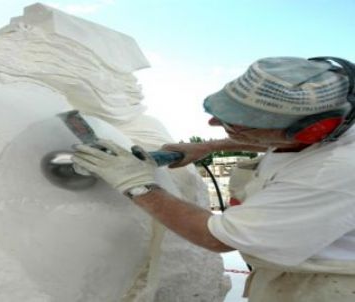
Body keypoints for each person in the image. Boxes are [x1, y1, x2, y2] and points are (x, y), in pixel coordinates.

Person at [72, 56, 355, 302]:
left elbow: (217, 237)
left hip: (329, 286)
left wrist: (135, 183)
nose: (214, 124)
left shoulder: (330, 173)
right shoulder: (335, 127)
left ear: (310, 130)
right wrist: (208, 146)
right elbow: (277, 141)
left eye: (237, 127)